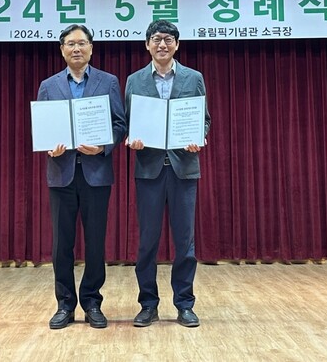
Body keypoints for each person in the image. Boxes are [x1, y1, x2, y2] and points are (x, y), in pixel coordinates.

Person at [36, 24, 126, 330]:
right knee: (62, 244)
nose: (76, 48)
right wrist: (49, 146)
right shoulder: (48, 86)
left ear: (91, 48)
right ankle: (64, 304)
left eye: (82, 43)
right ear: (62, 50)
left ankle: (92, 302)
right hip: (61, 173)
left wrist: (103, 146)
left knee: (95, 243)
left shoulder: (108, 82)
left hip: (96, 173)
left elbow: (119, 124)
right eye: (70, 44)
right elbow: (44, 126)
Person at [125, 19, 211, 328]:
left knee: (185, 243)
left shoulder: (193, 78)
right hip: (148, 169)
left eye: (168, 39)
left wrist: (198, 137)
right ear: (147, 44)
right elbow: (128, 120)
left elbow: (204, 120)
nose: (162, 44)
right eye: (157, 39)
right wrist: (132, 139)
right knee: (147, 242)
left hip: (183, 169)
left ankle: (185, 304)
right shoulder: (134, 81)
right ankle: (148, 304)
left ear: (177, 44)